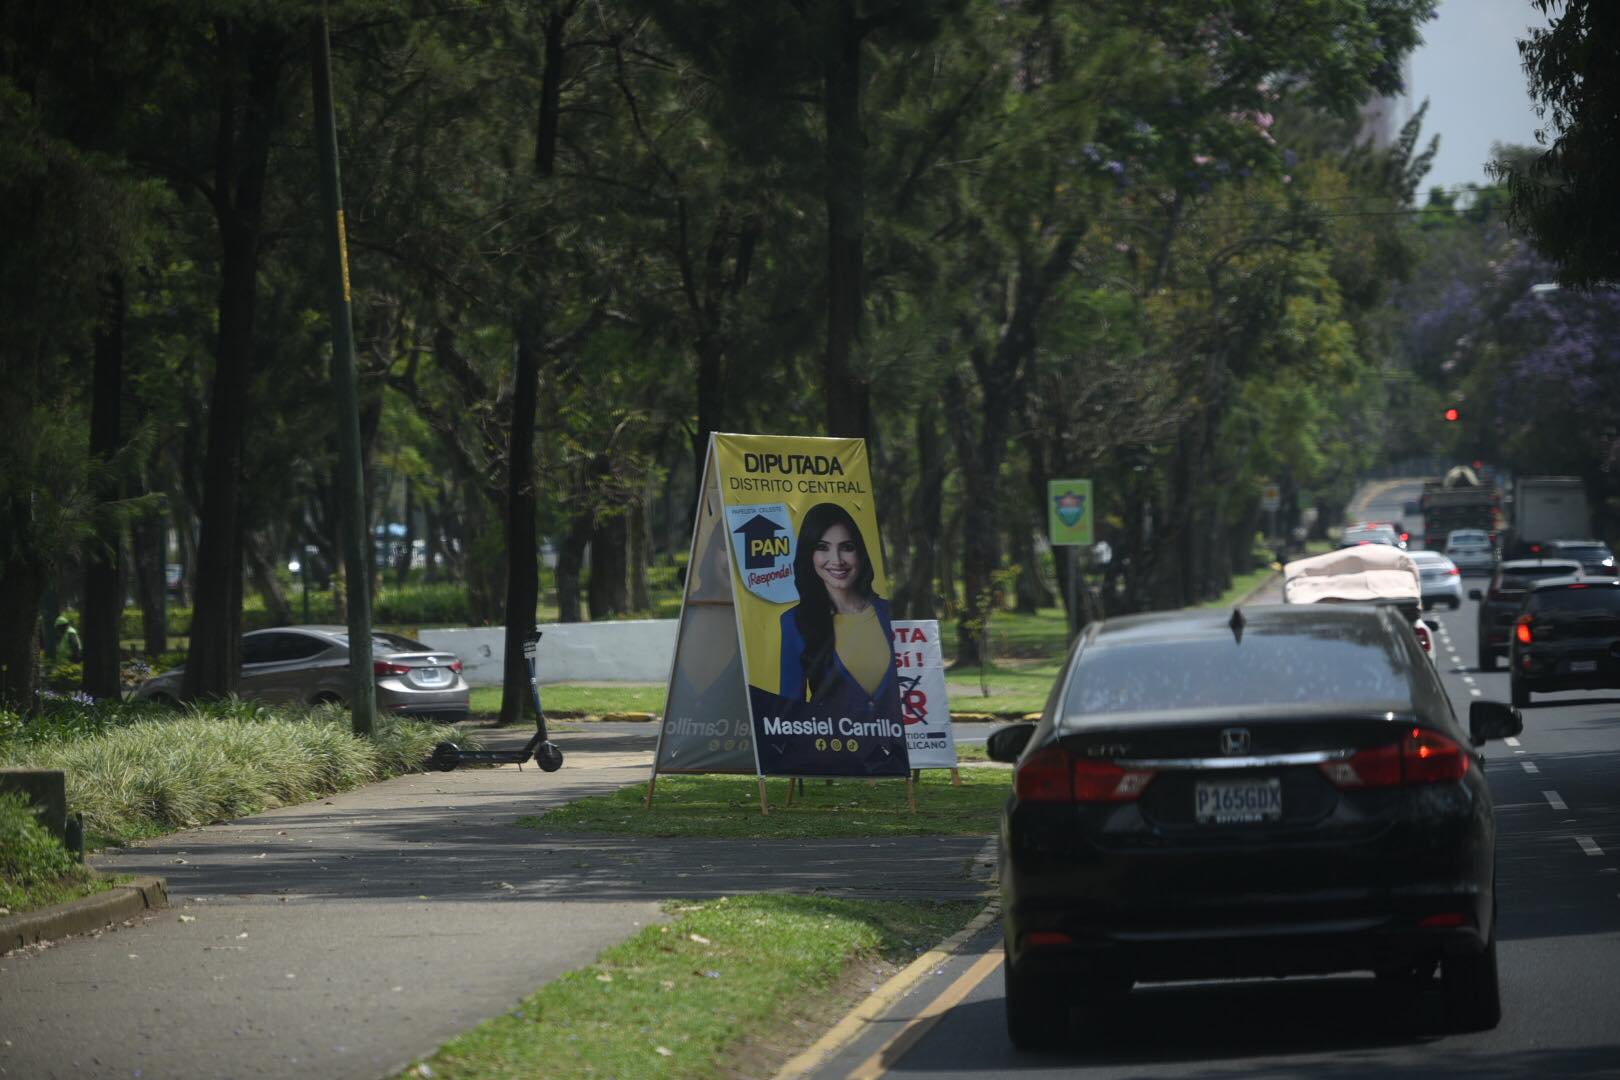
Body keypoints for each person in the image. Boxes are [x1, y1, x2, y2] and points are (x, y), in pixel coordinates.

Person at [775, 503, 903, 724]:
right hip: (834, 752)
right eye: (822, 547)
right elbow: (790, 707)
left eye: (847, 547)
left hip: (898, 753)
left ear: (860, 552)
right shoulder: (793, 621)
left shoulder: (891, 613)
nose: (836, 560)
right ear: (809, 554)